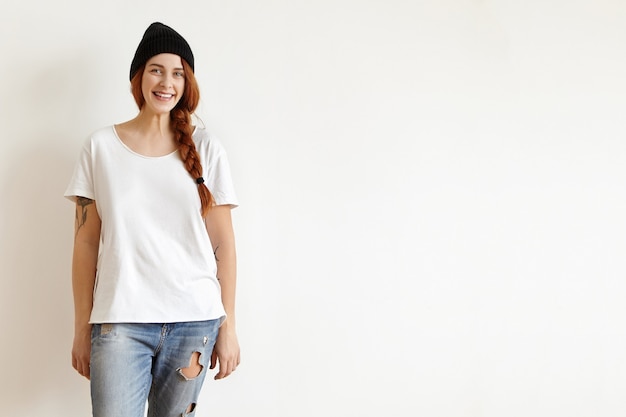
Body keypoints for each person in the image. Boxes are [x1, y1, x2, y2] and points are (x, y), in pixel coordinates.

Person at [64, 22, 240, 417]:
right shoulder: (100, 148)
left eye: (178, 72)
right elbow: (86, 243)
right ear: (138, 76)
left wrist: (228, 327)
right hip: (119, 324)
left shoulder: (207, 148)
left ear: (187, 81)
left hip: (195, 321)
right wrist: (81, 327)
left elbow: (224, 246)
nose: (166, 82)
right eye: (156, 69)